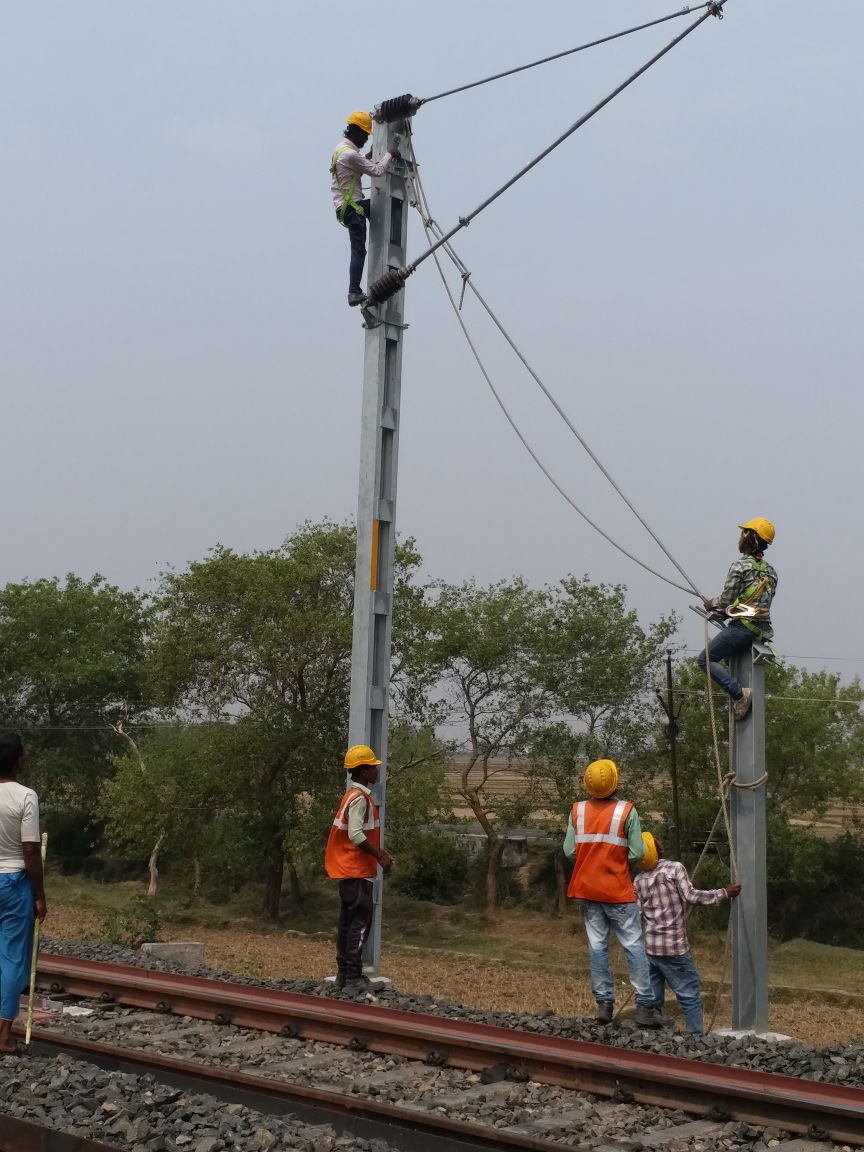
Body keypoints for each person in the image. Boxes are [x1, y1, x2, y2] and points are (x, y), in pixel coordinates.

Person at [564, 758, 664, 1027]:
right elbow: (638, 852)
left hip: (588, 890)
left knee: (597, 946)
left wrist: (590, 861)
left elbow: (569, 850)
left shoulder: (577, 811)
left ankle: (604, 1005)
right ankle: (645, 1007)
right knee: (633, 946)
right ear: (615, 782)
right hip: (617, 891)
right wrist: (615, 861)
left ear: (587, 784)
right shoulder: (626, 811)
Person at [633, 832, 740, 1035]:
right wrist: (724, 893)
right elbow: (691, 896)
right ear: (657, 849)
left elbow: (635, 914)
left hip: (651, 949)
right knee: (689, 995)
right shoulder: (674, 868)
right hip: (674, 949)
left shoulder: (638, 880)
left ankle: (652, 1037)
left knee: (653, 1000)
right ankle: (695, 1038)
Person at [324, 744, 392, 991]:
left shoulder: (351, 795)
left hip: (348, 870)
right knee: (359, 924)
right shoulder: (360, 798)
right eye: (372, 767)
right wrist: (380, 855)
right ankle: (352, 978)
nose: (376, 770)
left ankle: (344, 975)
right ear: (363, 770)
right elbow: (355, 834)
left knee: (347, 922)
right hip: (357, 870)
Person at [698, 517, 778, 722]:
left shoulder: (739, 567)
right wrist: (726, 612)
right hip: (760, 630)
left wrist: (712, 604)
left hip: (742, 627)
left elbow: (726, 599)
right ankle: (740, 692)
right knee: (728, 659)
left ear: (750, 537)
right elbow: (755, 604)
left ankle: (740, 695)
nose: (739, 538)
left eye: (742, 534)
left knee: (705, 660)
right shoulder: (771, 572)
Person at [0, 732, 47, 1054]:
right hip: (14, 883)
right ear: (18, 761)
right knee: (13, 958)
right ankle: (3, 1036)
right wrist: (40, 894)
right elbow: (30, 850)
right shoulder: (25, 796)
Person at [330, 111, 399, 307]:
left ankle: (356, 288)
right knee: (359, 250)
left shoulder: (341, 150)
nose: (366, 138)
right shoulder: (350, 154)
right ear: (356, 132)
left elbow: (356, 167)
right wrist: (389, 154)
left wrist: (367, 157)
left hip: (347, 208)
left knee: (382, 205)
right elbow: (377, 170)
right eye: (365, 135)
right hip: (353, 209)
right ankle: (354, 291)